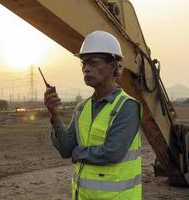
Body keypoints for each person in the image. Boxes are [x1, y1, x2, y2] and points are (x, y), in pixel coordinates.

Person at [44, 30, 142, 200]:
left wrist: (77, 153)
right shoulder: (83, 108)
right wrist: (54, 115)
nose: (86, 69)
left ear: (113, 66)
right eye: (83, 63)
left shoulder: (127, 107)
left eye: (93, 62)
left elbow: (112, 153)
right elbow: (66, 149)